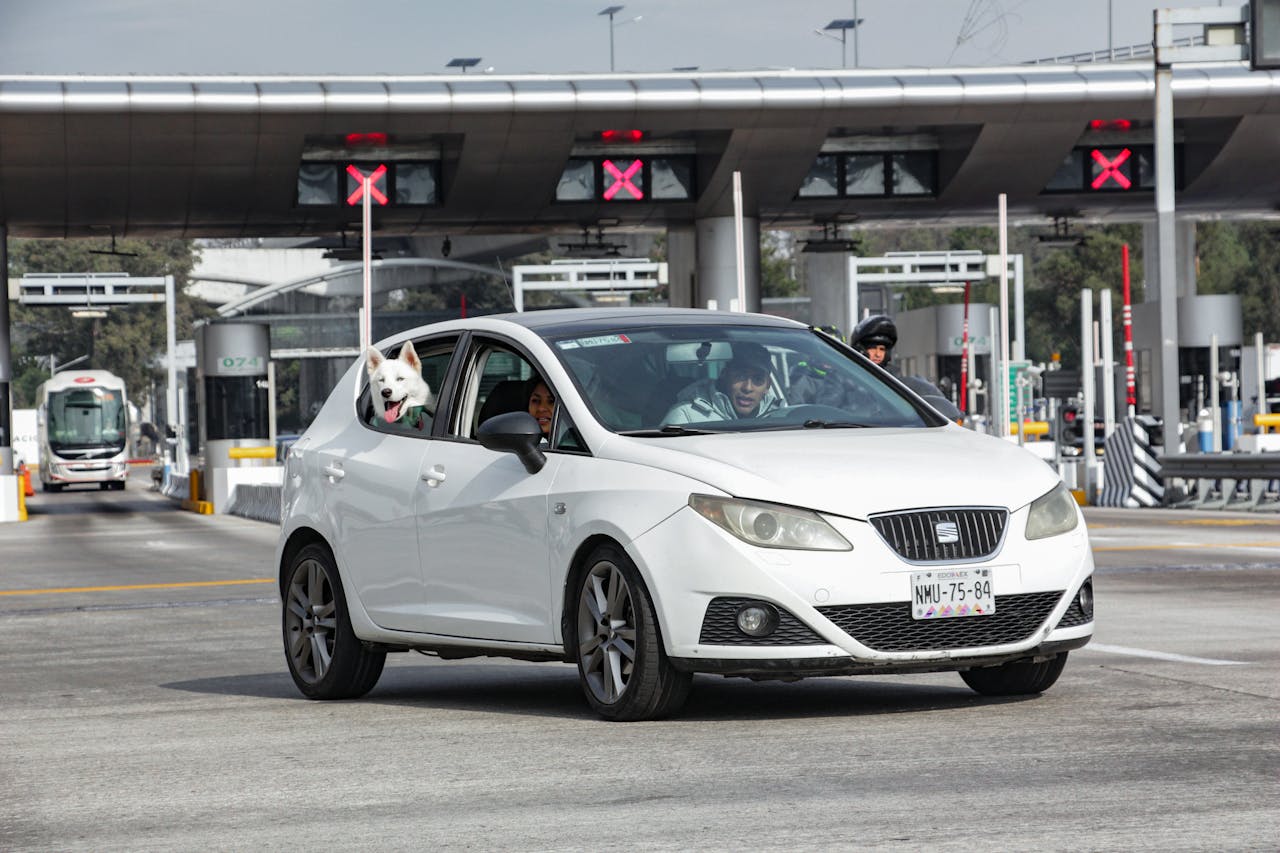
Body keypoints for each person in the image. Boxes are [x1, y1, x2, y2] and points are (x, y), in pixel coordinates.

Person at [663, 342, 781, 424]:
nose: (748, 388)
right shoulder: (686, 416)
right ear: (724, 375)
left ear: (768, 385)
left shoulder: (781, 418)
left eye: (758, 379)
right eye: (740, 376)